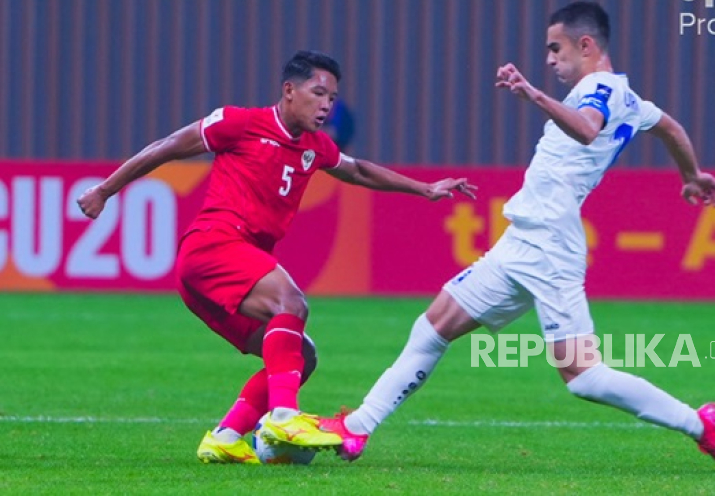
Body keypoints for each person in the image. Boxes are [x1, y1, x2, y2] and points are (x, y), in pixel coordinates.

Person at [321, 1, 715, 473]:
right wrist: (692, 174)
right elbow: (671, 128)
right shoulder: (631, 99)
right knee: (434, 326)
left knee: (583, 377)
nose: (549, 59)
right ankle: (357, 427)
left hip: (550, 244)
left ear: (586, 45)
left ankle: (702, 424)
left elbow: (587, 130)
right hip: (524, 240)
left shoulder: (598, 88)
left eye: (555, 47)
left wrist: (533, 95)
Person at [76, 50, 477, 464]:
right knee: (292, 303)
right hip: (214, 245)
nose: (326, 105)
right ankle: (284, 416)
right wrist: (105, 190)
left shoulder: (317, 147)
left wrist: (424, 189)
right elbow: (168, 147)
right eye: (318, 93)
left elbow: (358, 171)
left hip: (217, 274)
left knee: (300, 356)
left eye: (332, 98)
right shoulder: (240, 123)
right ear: (289, 90)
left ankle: (227, 436)